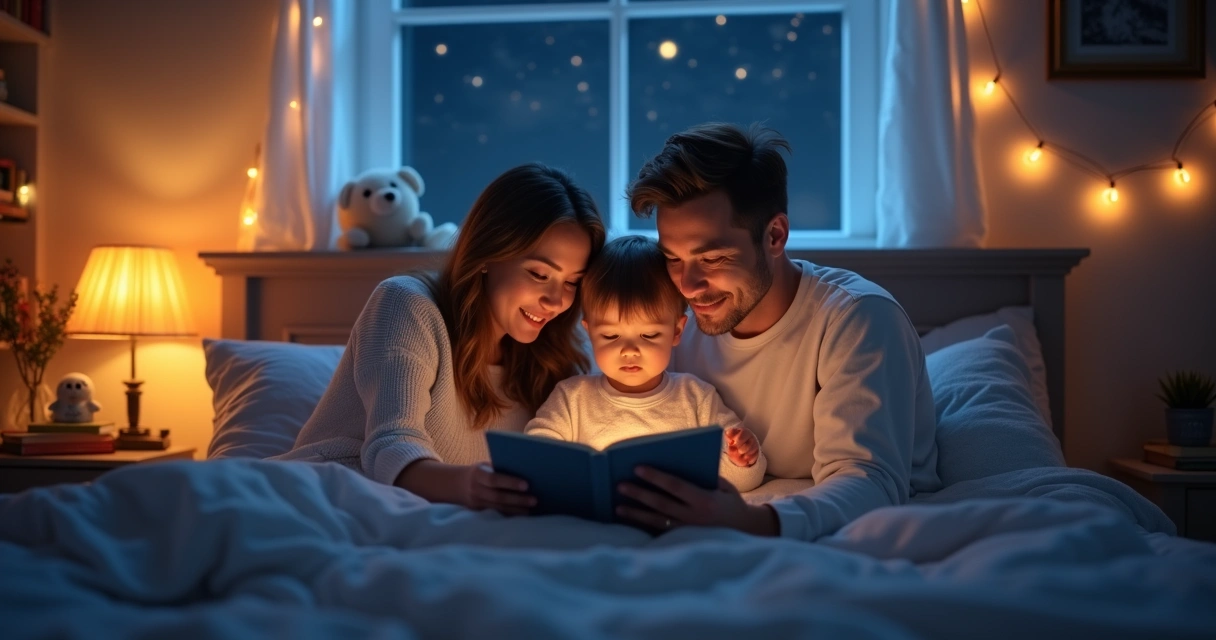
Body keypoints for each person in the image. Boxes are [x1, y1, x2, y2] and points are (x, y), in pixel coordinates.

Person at [615, 123, 942, 540]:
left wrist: (753, 521)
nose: (688, 286)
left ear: (775, 235)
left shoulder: (857, 319)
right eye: (673, 259)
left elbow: (872, 482)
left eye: (712, 258)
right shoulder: (675, 325)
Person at [276, 163, 606, 515]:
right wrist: (469, 486)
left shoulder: (557, 355)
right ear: (487, 255)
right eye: (540, 274)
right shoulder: (405, 304)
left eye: (572, 282)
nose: (557, 301)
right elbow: (390, 443)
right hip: (322, 496)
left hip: (434, 523)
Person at [524, 235, 767, 492]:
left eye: (649, 335)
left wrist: (742, 460)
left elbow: (743, 482)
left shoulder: (695, 397)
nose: (629, 351)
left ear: (676, 331)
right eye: (610, 336)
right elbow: (534, 454)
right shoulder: (572, 398)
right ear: (591, 332)